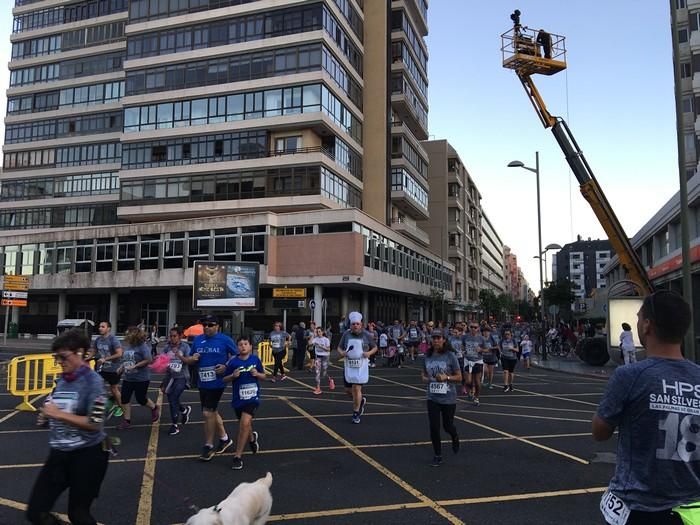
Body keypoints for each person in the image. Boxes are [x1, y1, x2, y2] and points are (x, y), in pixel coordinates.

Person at [593, 291, 700, 524]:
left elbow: (599, 432)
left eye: (639, 318)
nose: (638, 323)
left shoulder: (630, 376)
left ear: (647, 326)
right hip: (693, 507)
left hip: (641, 506)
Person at [27, 330, 109, 525]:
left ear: (80, 352)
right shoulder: (62, 380)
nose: (59, 362)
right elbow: (56, 406)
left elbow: (95, 423)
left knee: (78, 515)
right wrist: (46, 416)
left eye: (63, 357)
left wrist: (58, 414)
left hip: (88, 455)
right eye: (56, 358)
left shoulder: (94, 382)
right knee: (35, 512)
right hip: (59, 454)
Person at [180, 314, 238, 461]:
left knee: (207, 413)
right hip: (202, 382)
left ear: (217, 326)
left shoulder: (225, 340)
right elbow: (191, 358)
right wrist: (192, 359)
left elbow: (237, 356)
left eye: (210, 325)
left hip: (217, 382)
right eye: (205, 324)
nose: (206, 327)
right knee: (212, 412)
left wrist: (226, 366)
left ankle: (208, 445)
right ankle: (224, 439)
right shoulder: (198, 339)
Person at [223, 336, 265, 471]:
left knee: (245, 423)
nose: (243, 346)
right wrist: (232, 376)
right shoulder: (233, 362)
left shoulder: (255, 360)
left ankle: (237, 456)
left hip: (253, 398)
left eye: (245, 344)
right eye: (240, 345)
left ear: (250, 346)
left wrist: (257, 373)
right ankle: (252, 438)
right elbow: (224, 379)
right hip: (238, 399)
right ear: (237, 347)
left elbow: (264, 376)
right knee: (245, 423)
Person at [422, 330, 461, 467]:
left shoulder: (450, 356)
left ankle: (454, 436)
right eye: (434, 338)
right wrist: (425, 378)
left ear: (444, 340)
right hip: (432, 397)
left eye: (438, 338)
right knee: (434, 426)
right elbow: (424, 373)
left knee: (447, 426)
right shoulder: (428, 356)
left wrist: (447, 377)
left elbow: (459, 377)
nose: (436, 340)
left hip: (448, 397)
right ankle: (437, 454)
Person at [337, 312, 378, 424]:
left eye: (357, 324)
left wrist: (369, 353)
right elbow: (339, 348)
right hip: (349, 365)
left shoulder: (366, 335)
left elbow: (375, 347)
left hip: (361, 366)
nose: (355, 325)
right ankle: (360, 401)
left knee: (356, 388)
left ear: (361, 325)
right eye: (353, 324)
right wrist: (343, 353)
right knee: (348, 390)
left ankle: (356, 413)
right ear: (350, 325)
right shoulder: (346, 334)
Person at [117, 327, 159, 429]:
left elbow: (148, 360)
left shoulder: (142, 346)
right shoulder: (129, 346)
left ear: (134, 335)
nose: (126, 336)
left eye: (128, 334)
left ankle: (154, 408)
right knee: (124, 398)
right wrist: (121, 367)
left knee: (141, 399)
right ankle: (127, 420)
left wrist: (136, 366)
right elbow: (127, 359)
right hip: (128, 377)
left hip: (141, 378)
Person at [87, 320, 123, 419]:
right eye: (99, 326)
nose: (100, 328)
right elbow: (94, 350)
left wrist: (105, 359)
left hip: (114, 368)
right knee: (97, 386)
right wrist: (88, 357)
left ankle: (121, 407)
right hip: (101, 368)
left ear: (108, 328)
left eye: (103, 327)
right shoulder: (98, 339)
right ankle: (104, 405)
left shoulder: (113, 340)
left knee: (114, 389)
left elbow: (119, 353)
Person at [160, 327, 192, 436]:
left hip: (182, 376)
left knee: (173, 397)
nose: (172, 338)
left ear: (180, 336)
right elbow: (162, 362)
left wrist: (179, 356)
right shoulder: (166, 347)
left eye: (175, 336)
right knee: (170, 398)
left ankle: (174, 425)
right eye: (171, 336)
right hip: (170, 376)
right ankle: (184, 410)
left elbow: (189, 361)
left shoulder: (185, 347)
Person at [462, 322, 486, 406]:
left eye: (475, 327)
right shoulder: (465, 337)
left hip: (477, 361)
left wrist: (481, 350)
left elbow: (487, 349)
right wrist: (463, 351)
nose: (473, 329)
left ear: (478, 328)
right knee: (468, 381)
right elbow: (463, 345)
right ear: (469, 327)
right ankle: (470, 392)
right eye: (471, 327)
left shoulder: (481, 338)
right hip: (467, 360)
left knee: (477, 382)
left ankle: (476, 398)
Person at [311, 327, 335, 394]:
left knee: (324, 373)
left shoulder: (326, 340)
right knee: (317, 372)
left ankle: (330, 379)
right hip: (318, 357)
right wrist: (313, 335)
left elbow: (328, 349)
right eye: (317, 332)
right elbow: (310, 343)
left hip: (325, 356)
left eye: (319, 331)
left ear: (322, 332)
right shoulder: (315, 339)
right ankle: (318, 388)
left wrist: (320, 346)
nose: (318, 333)